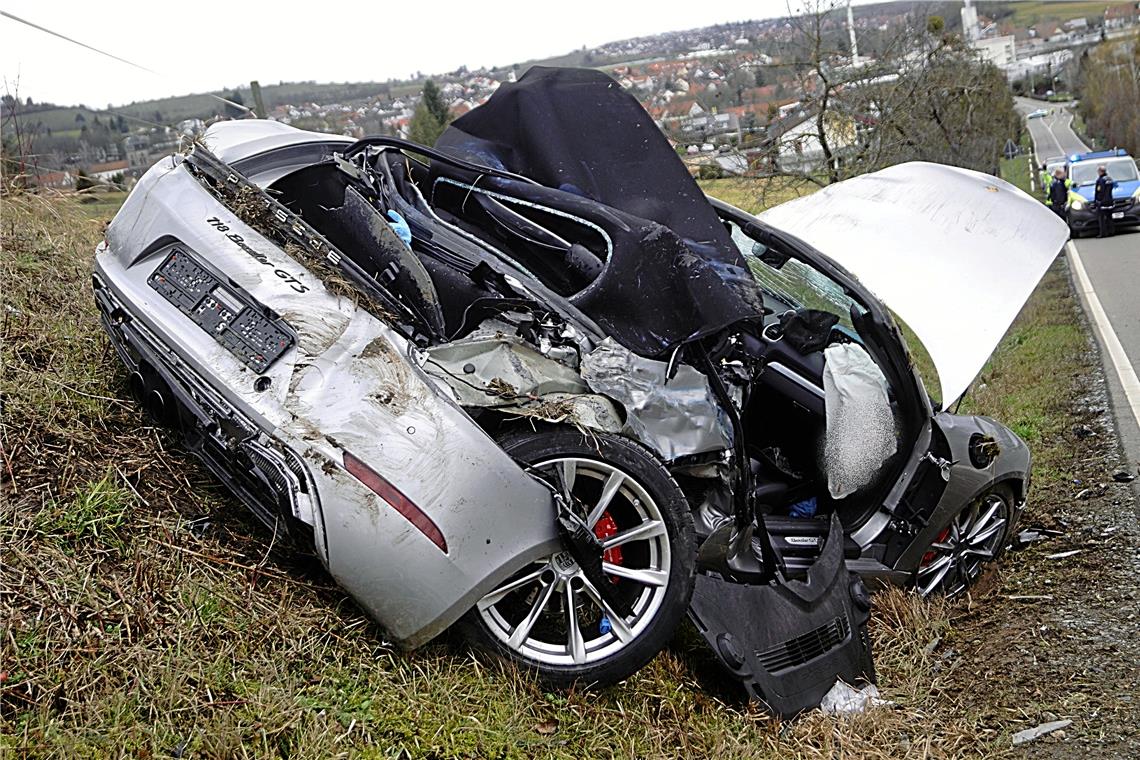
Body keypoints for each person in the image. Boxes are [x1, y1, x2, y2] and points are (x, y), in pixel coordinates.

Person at [1094, 164, 1116, 238]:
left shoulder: (1100, 180)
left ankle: (1103, 233)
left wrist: (1097, 200)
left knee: (1101, 218)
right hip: (1110, 200)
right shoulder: (1109, 179)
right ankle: (1112, 231)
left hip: (1103, 202)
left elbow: (1100, 191)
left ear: (1100, 172)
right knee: (1109, 217)